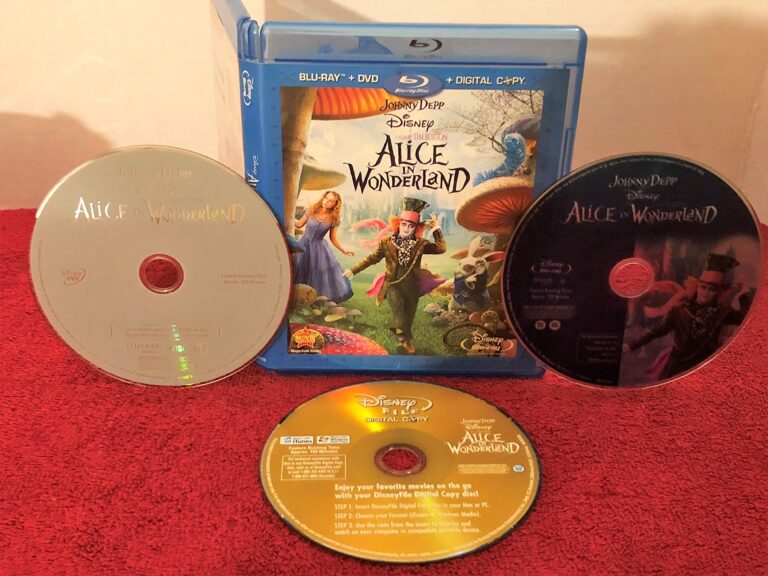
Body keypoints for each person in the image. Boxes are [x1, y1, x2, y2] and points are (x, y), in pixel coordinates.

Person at [623, 253, 753, 380]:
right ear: (697, 287)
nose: (705, 293)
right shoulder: (679, 310)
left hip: (703, 369)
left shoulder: (722, 312)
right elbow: (658, 330)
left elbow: (745, 318)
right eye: (703, 287)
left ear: (717, 292)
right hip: (677, 368)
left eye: (711, 290)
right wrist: (632, 345)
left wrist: (744, 294)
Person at [344, 197, 445, 354]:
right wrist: (352, 271)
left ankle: (405, 341)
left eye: (411, 226)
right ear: (399, 224)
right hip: (392, 284)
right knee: (398, 311)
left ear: (415, 228)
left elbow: (441, 249)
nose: (406, 229)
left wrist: (436, 228)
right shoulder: (386, 242)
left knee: (409, 315)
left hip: (413, 286)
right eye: (404, 224)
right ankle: (402, 337)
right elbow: (371, 259)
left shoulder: (421, 244)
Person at [293, 190, 354, 303]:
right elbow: (299, 224)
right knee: (300, 267)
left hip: (319, 250)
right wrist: (286, 216)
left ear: (335, 204)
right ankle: (299, 298)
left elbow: (333, 238)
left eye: (331, 201)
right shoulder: (312, 209)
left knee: (318, 273)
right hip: (304, 245)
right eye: (326, 198)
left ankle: (316, 300)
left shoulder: (334, 218)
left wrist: (343, 249)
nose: (327, 201)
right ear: (323, 197)